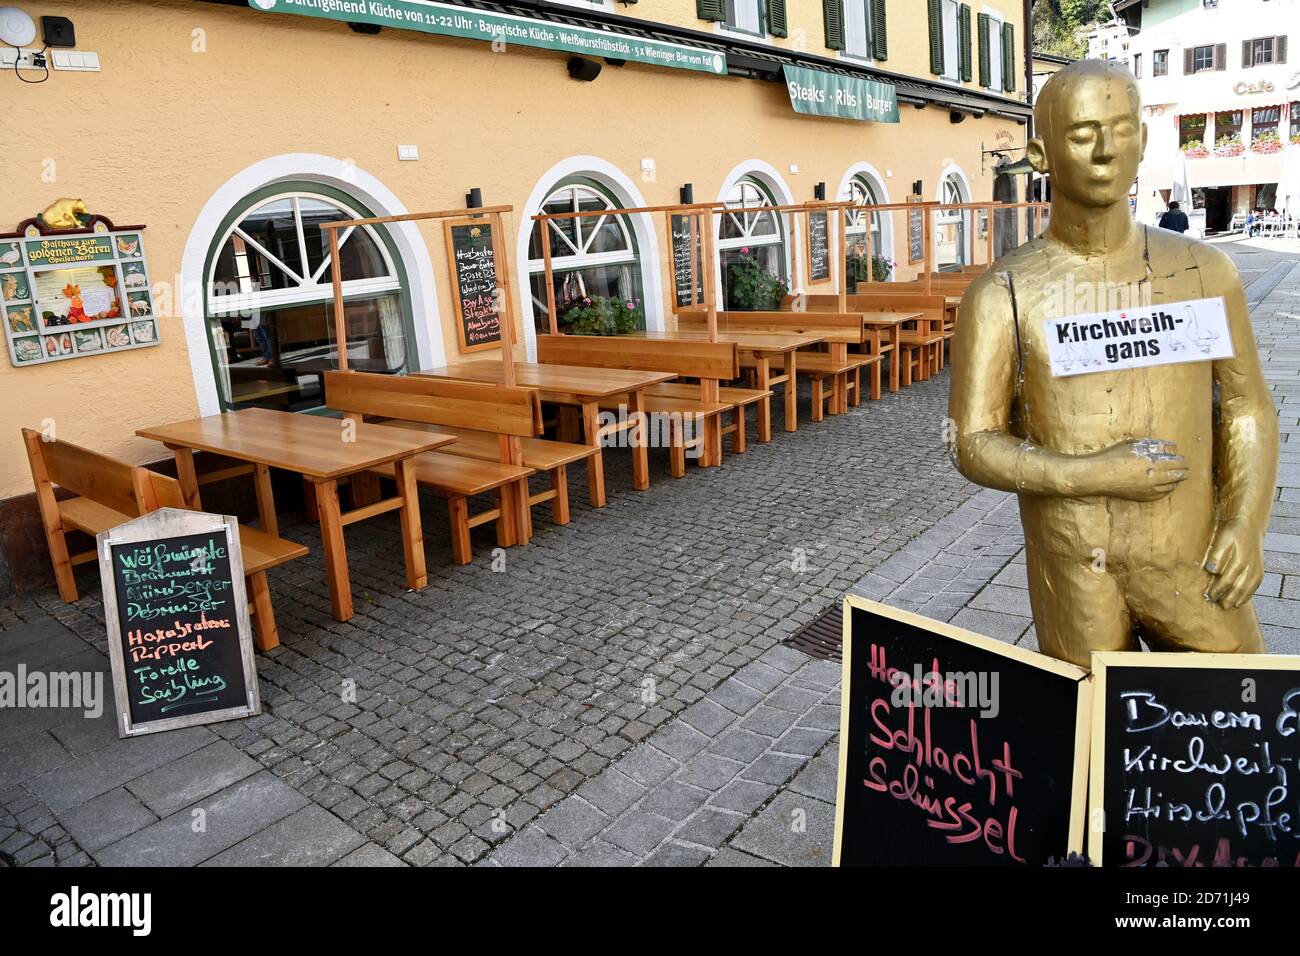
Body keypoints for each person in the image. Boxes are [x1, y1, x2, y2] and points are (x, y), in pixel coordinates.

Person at [948, 59, 1277, 667]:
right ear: (1040, 155)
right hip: (1074, 568)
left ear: (1144, 141)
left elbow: (1245, 405)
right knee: (1091, 735)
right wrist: (1090, 473)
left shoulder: (1203, 273)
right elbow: (972, 442)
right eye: (1081, 133)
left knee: (1238, 718)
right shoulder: (1005, 293)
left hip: (1193, 560)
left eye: (1122, 128)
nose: (1105, 150)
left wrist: (1246, 522)